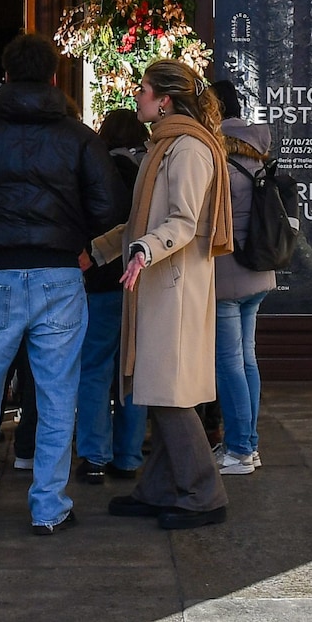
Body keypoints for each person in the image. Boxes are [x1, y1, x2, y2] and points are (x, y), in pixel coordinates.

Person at [0, 32, 121, 534]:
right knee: (58, 395)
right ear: (54, 78)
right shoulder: (79, 137)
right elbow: (109, 209)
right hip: (60, 275)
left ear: (7, 76)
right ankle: (49, 506)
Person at [92, 59, 233, 529]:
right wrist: (101, 251)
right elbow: (142, 221)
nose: (137, 96)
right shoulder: (167, 145)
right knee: (160, 390)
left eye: (143, 89)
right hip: (162, 284)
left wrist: (141, 253)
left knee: (170, 395)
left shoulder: (187, 148)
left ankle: (204, 492)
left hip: (173, 288)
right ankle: (158, 488)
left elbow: (183, 223)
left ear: (165, 99)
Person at [74, 108, 147, 484]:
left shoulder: (100, 171)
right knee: (131, 373)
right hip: (140, 285)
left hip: (101, 281)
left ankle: (95, 456)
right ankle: (130, 456)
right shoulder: (150, 169)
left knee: (95, 370)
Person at [209, 78, 274, 475]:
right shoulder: (257, 150)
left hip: (228, 272)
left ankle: (237, 450)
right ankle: (249, 445)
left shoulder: (214, 154)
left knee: (229, 361)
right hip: (260, 269)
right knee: (247, 358)